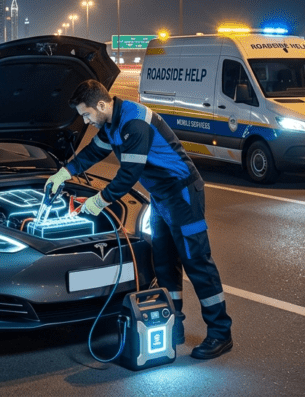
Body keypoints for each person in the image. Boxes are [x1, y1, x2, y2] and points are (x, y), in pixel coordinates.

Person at [45, 79, 233, 359]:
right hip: (161, 196)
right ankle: (174, 326)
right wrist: (64, 172)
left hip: (182, 194)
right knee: (165, 262)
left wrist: (100, 201)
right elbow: (94, 152)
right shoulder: (110, 123)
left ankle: (220, 333)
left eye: (86, 115)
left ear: (100, 105)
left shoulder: (134, 122)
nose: (86, 121)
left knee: (196, 261)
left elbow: (129, 174)